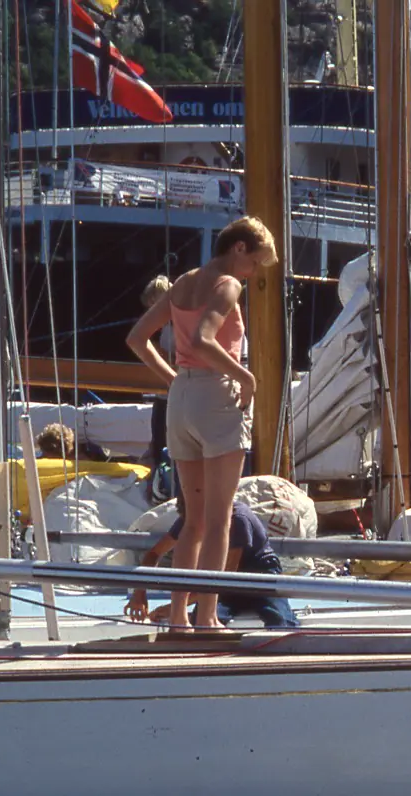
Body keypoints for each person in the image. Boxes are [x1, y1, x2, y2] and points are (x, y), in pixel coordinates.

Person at [126, 215, 278, 631]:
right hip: (217, 397)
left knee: (192, 520)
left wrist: (175, 380)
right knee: (219, 520)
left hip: (182, 398)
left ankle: (179, 616)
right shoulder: (227, 284)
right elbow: (203, 340)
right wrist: (246, 377)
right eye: (254, 264)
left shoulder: (183, 281)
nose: (252, 274)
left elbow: (137, 338)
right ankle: (207, 615)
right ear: (240, 249)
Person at [125, 499, 299, 629]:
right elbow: (155, 553)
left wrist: (175, 607)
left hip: (259, 576)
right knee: (199, 620)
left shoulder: (238, 519)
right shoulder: (190, 520)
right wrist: (139, 594)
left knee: (280, 621)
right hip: (221, 583)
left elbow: (226, 577)